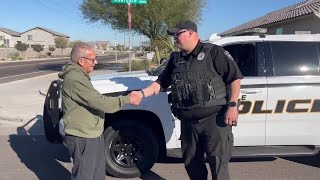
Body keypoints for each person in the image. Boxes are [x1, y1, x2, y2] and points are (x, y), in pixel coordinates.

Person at [134, 20, 243, 180]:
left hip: (214, 120)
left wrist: (232, 105)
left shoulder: (214, 52)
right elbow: (160, 83)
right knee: (192, 164)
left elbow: (234, 78)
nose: (174, 38)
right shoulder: (176, 59)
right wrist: (141, 94)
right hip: (188, 124)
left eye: (177, 34)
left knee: (218, 165)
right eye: (173, 35)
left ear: (191, 33)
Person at [58, 43, 141, 180]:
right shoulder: (75, 78)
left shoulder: (81, 75)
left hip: (92, 134)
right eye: (92, 59)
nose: (95, 62)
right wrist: (127, 99)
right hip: (82, 136)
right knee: (84, 175)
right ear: (81, 60)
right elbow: (100, 102)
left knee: (97, 174)